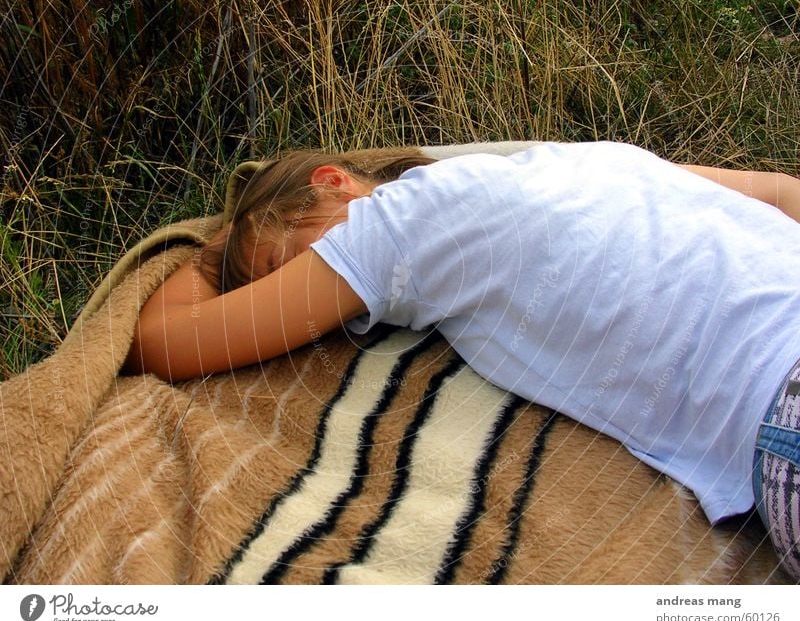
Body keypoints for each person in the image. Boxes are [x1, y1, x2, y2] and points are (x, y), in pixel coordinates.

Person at [123, 141, 800, 580]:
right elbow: (783, 193)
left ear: (333, 184)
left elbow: (165, 340)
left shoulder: (391, 228)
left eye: (283, 264)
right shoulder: (585, 160)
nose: (297, 299)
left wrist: (212, 255)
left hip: (777, 393)